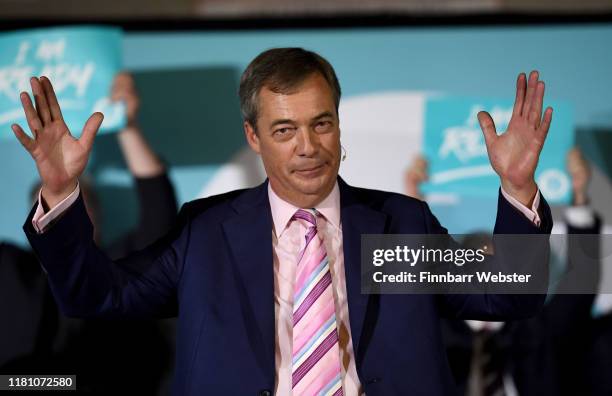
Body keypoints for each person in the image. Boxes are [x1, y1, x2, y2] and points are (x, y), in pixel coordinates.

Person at [12, 48, 553, 395]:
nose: (308, 148)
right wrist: (60, 193)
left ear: (339, 125)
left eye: (322, 124)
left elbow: (508, 296)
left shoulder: (397, 223)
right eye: (284, 130)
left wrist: (518, 188)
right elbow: (96, 297)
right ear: (253, 137)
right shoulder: (208, 233)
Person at [1, 72, 177, 394]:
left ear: (97, 215)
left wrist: (126, 125)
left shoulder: (125, 263)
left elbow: (158, 207)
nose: (65, 215)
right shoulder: (10, 268)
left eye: (76, 205)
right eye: (53, 205)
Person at [405, 148, 602, 396]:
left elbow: (580, 287)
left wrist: (579, 195)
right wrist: (412, 205)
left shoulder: (536, 330)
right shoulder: (432, 328)